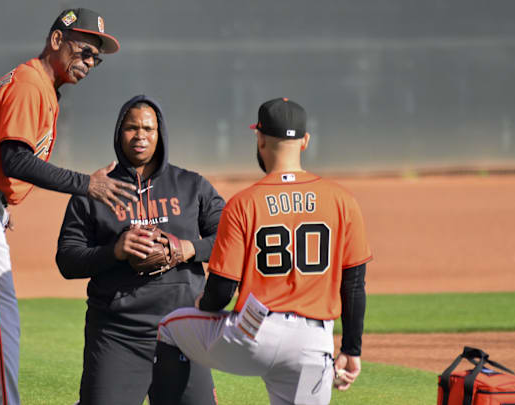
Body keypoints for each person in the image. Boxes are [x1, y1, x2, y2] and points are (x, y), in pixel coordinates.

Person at [0, 8, 138, 405]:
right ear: (56, 40)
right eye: (84, 49)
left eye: (96, 57)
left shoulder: (39, 86)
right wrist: (86, 184)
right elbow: (16, 160)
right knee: (1, 320)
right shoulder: (31, 83)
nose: (90, 62)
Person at [149, 98, 372, 405]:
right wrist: (351, 349)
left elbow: (222, 289)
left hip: (255, 333)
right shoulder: (342, 200)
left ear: (260, 138)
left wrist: (205, 303)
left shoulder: (244, 203)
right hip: (313, 342)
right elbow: (354, 286)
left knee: (169, 328)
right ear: (305, 141)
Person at [56, 95, 226, 405]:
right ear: (119, 133)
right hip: (117, 332)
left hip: (183, 329)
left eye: (148, 128)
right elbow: (67, 260)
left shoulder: (191, 186)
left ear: (160, 135)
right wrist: (115, 251)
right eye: (131, 128)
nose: (140, 136)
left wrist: (187, 248)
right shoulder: (95, 190)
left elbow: (232, 238)